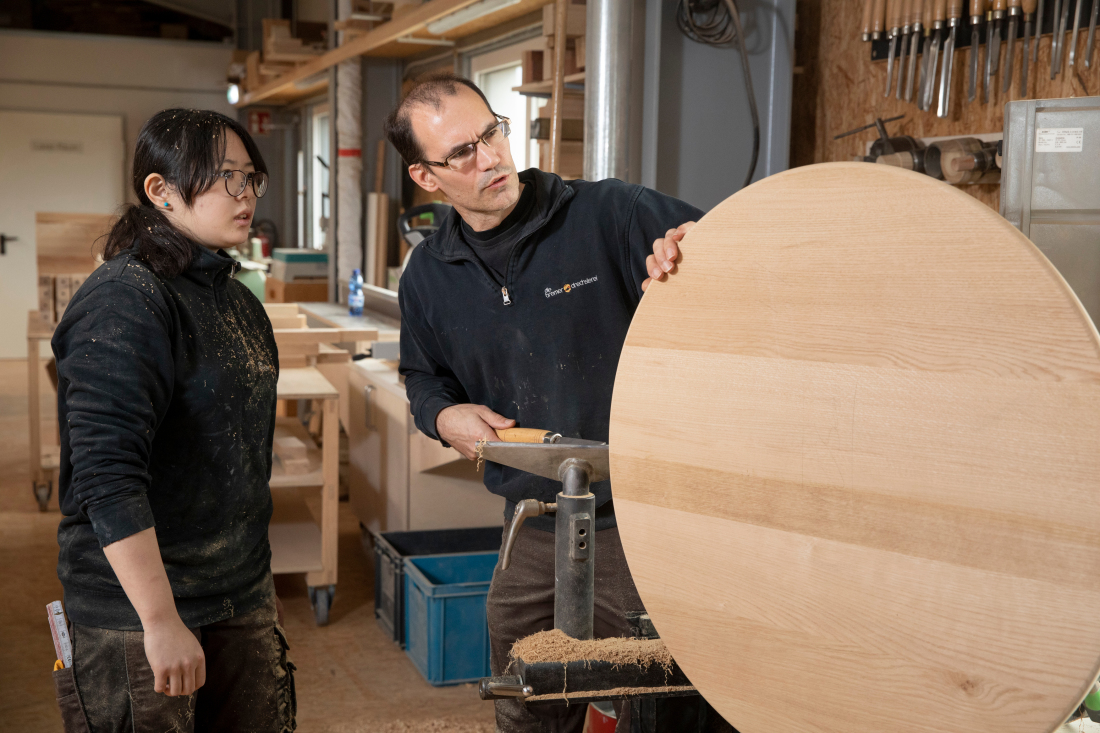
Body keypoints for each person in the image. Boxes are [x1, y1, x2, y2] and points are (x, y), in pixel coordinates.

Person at [385, 73, 703, 732]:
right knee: (524, 688)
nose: (491, 158)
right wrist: (445, 416)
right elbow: (423, 377)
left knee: (664, 695)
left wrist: (691, 253)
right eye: (462, 154)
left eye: (492, 133)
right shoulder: (427, 276)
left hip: (639, 516)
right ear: (426, 177)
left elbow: (723, 248)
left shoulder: (609, 214)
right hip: (533, 516)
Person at [52, 109, 295, 733]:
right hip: (141, 612)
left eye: (252, 180)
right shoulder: (126, 299)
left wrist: (257, 595)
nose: (246, 196)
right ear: (160, 190)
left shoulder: (235, 298)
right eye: (227, 179)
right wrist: (160, 620)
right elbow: (106, 476)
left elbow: (240, 463)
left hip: (237, 593)